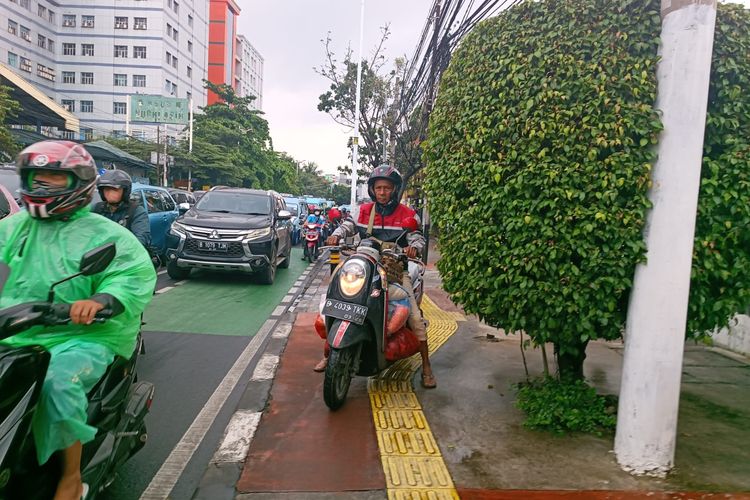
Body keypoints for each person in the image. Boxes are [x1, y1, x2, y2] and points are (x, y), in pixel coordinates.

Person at [0, 141, 156, 500]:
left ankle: (69, 477)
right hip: (14, 330)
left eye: (53, 178)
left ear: (78, 183)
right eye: (36, 177)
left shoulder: (107, 233)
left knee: (57, 382)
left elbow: (131, 274)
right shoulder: (13, 228)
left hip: (80, 335)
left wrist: (100, 300)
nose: (42, 186)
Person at [322, 165, 436, 388]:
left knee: (414, 317)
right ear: (372, 190)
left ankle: (426, 366)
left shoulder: (407, 214)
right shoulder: (364, 210)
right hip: (365, 265)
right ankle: (329, 354)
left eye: (387, 188)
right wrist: (335, 236)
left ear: (395, 190)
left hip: (394, 270)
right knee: (335, 296)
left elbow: (418, 238)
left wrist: (413, 247)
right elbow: (347, 226)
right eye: (378, 188)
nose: (382, 192)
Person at [92, 169, 151, 248]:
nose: (110, 193)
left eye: (115, 189)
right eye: (107, 189)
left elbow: (140, 240)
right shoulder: (97, 209)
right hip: (96, 256)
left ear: (125, 191)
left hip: (126, 257)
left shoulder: (136, 211)